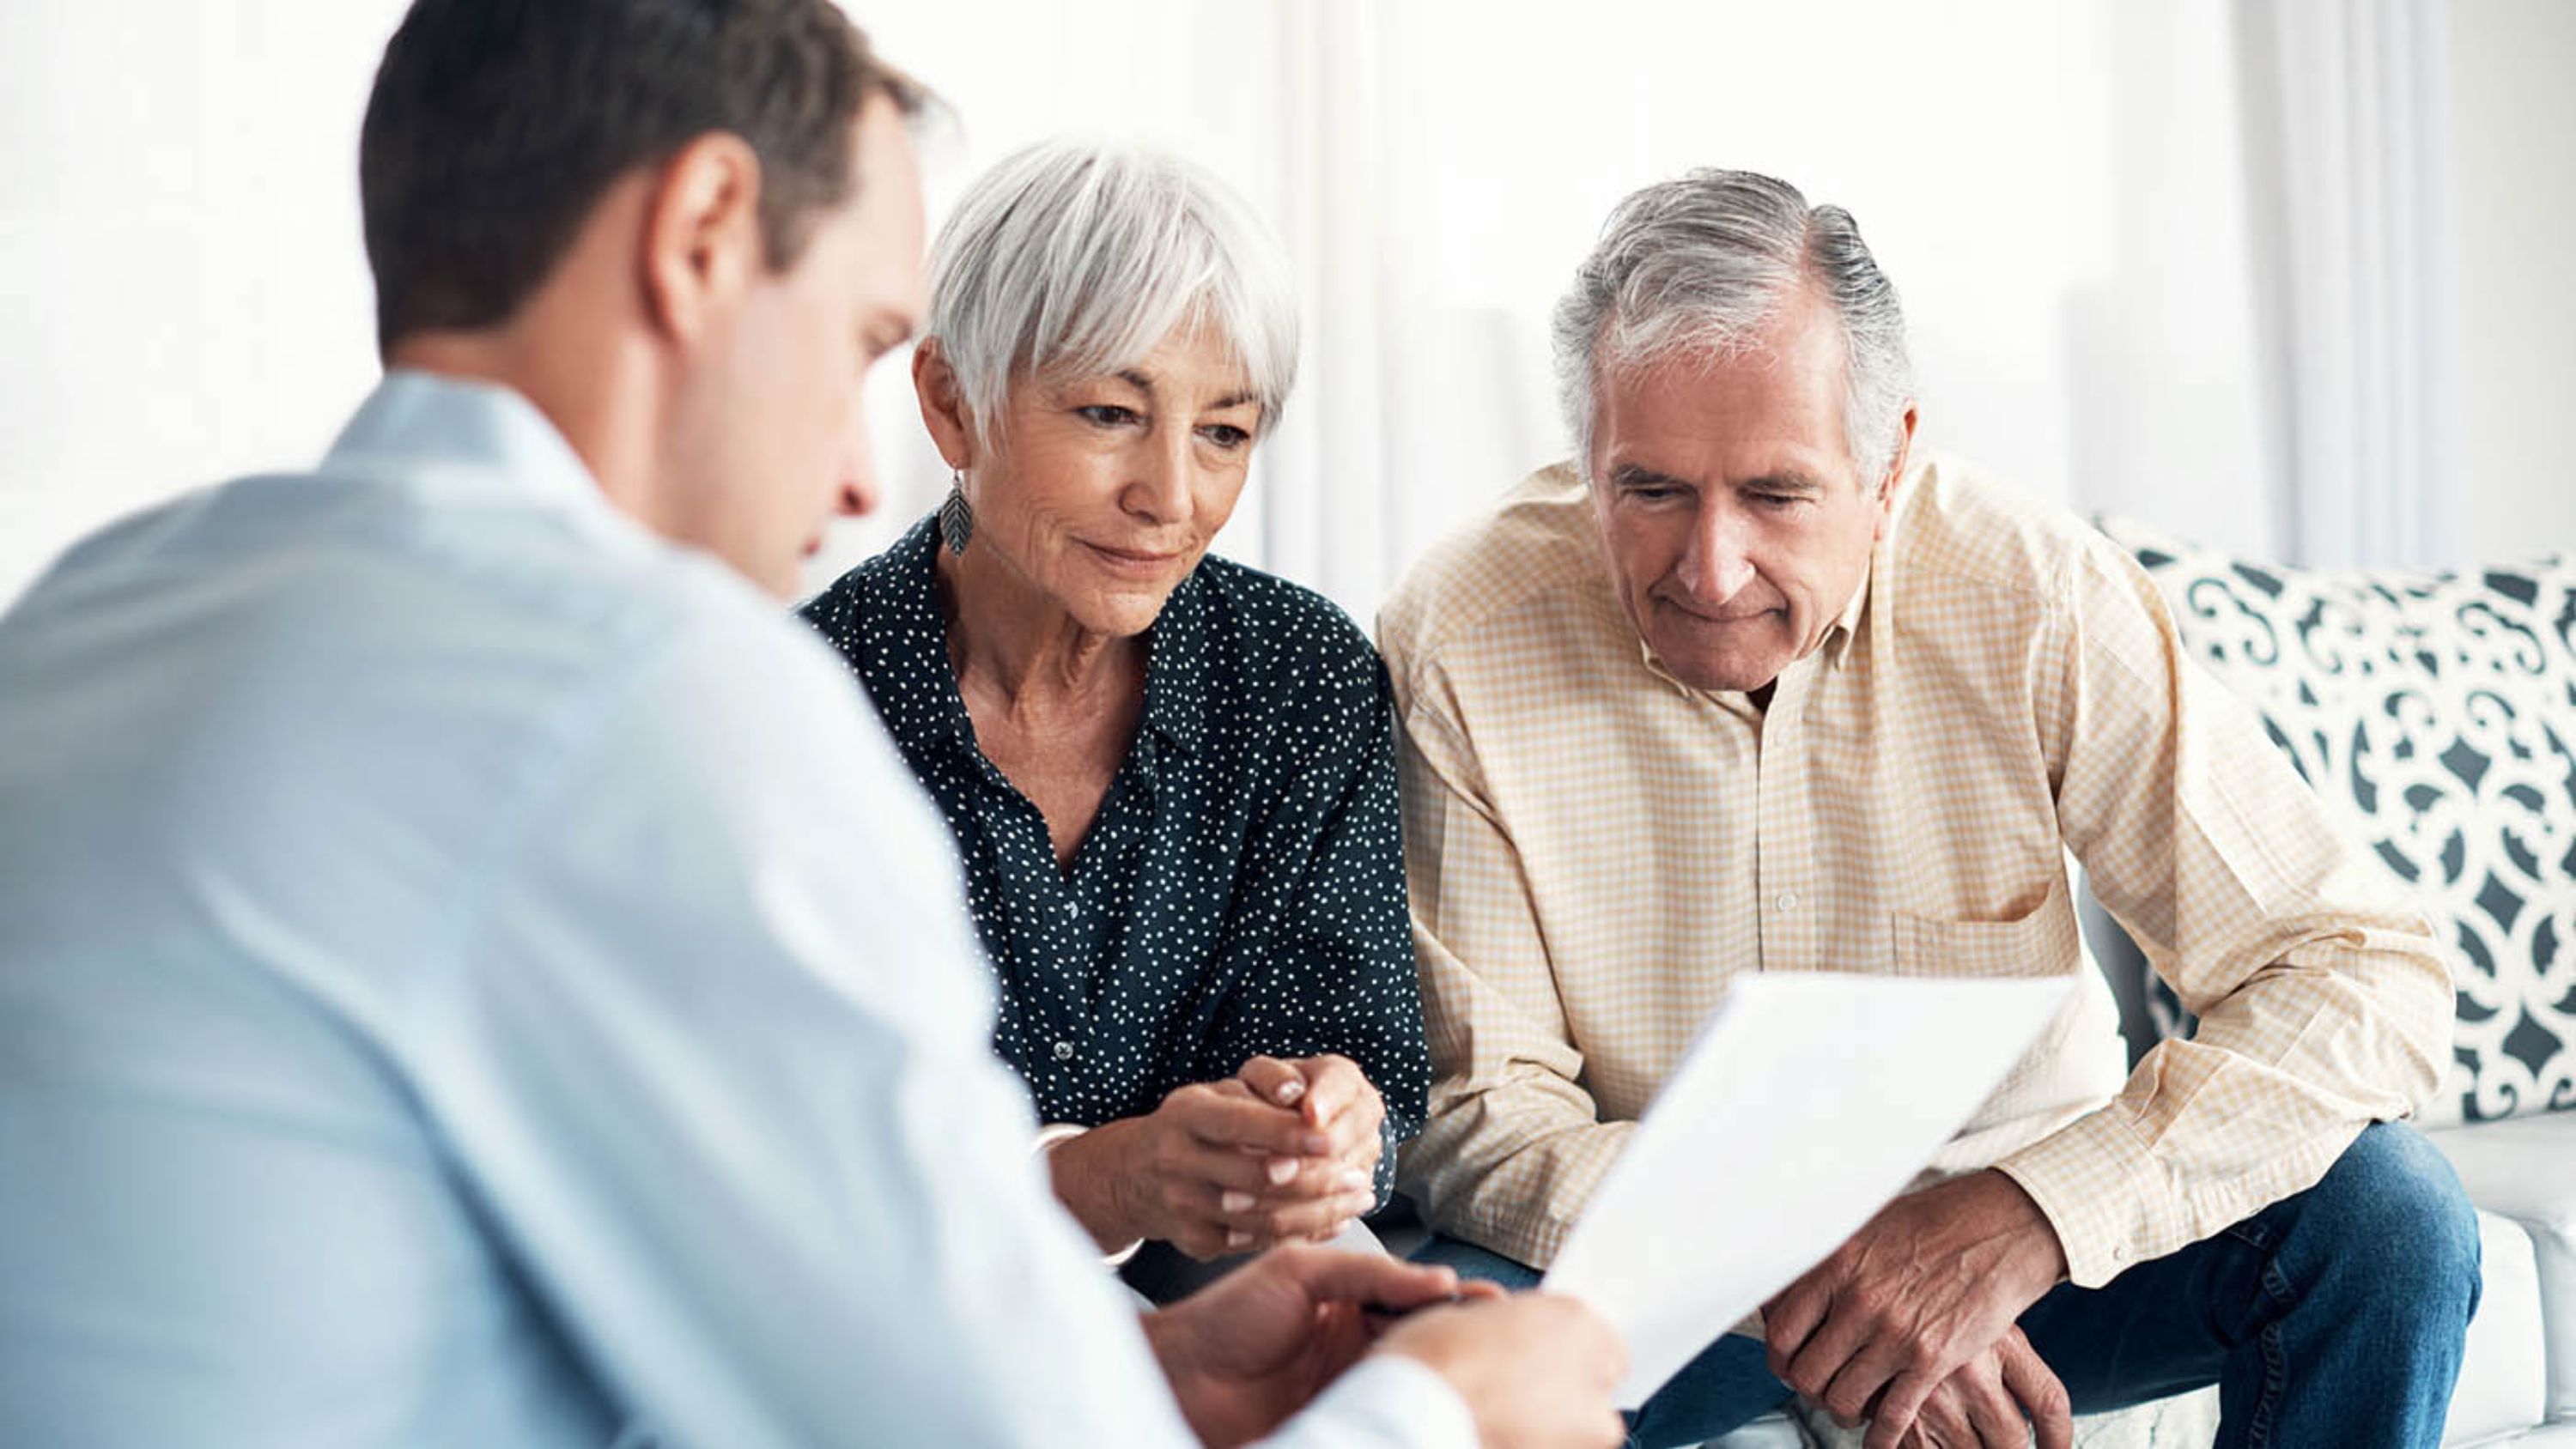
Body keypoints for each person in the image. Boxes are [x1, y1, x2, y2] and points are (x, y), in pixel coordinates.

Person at [0, 3, 1625, 1446]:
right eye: (858, 343)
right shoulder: (648, 693)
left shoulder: (89, 614)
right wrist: (1444, 1411)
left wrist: (1155, 1374)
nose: (859, 482)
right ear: (704, 231)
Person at [1378, 167, 2480, 1449]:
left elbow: (2359, 971)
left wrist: (2030, 1218)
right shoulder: (1464, 631)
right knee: (1427, 1360)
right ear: (1586, 456)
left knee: (2390, 1221)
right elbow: (1480, 1118)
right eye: (1651, 490)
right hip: (1676, 1279)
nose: (1710, 567)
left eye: (1778, 496)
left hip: (2020, 1248)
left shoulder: (2033, 591)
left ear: (1889, 459)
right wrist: (1828, 1276)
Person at [799, 138, 1425, 1293]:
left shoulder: (1301, 676)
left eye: (1224, 433)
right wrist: (1106, 1178)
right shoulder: (798, 704)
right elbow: (792, 1165)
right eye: (1106, 413)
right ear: (951, 402)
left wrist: (1332, 1125)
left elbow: (1366, 1053)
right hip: (899, 1315)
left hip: (1242, 1289)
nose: (1170, 498)